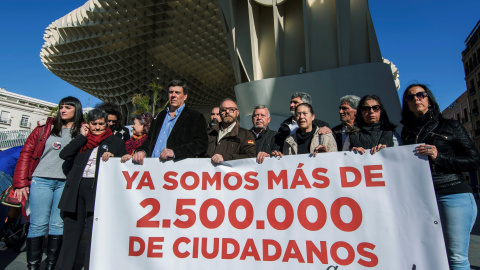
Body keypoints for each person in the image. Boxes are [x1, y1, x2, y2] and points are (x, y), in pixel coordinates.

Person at [400, 83, 479, 269]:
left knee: (456, 258)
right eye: (410, 97)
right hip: (423, 200)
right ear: (407, 104)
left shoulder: (450, 126)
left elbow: (474, 160)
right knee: (432, 255)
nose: (416, 99)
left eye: (420, 94)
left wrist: (439, 157)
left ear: (429, 99)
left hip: (453, 194)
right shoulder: (407, 133)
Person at [13, 96, 83, 270]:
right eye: (61, 107)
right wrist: (20, 183)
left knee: (57, 224)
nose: (63, 110)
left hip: (64, 182)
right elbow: (26, 154)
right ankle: (33, 266)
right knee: (37, 224)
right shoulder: (45, 129)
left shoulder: (83, 130)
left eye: (68, 107)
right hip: (41, 180)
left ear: (77, 109)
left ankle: (50, 266)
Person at [56, 108, 126, 270]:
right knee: (71, 234)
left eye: (101, 124)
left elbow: (123, 165)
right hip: (76, 190)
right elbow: (64, 154)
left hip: (99, 191)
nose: (98, 127)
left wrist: (115, 158)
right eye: (94, 124)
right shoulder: (82, 139)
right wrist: (82, 136)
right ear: (88, 124)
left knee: (95, 236)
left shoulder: (116, 142)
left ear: (106, 123)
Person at [133, 80, 208, 164]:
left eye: (177, 93)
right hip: (153, 167)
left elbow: (201, 144)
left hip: (175, 169)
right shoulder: (160, 115)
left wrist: (175, 152)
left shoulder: (195, 117)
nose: (173, 95)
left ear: (185, 96)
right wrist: (142, 151)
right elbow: (150, 140)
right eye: (171, 92)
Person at [206, 98, 256, 163]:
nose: (227, 112)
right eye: (224, 110)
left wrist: (225, 158)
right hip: (208, 172)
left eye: (231, 109)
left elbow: (250, 156)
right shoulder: (209, 133)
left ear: (237, 113)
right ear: (220, 112)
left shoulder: (246, 135)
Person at [0, 146, 22, 231]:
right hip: (4, 170)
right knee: (5, 203)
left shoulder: (22, 147)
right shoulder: (36, 150)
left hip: (4, 167)